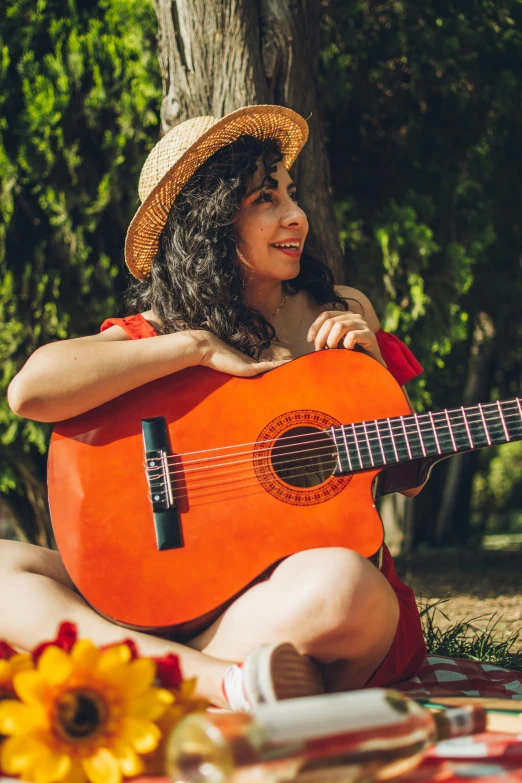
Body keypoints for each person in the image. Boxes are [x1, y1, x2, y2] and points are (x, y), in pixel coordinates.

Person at [5, 105, 426, 712]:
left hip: (276, 604)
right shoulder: (163, 333)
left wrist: (373, 370)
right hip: (150, 595)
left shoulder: (340, 308)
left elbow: (404, 480)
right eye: (265, 199)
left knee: (348, 588)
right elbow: (31, 391)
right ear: (207, 221)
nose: (296, 216)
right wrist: (196, 346)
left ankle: (155, 671)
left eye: (291, 194)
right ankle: (220, 683)